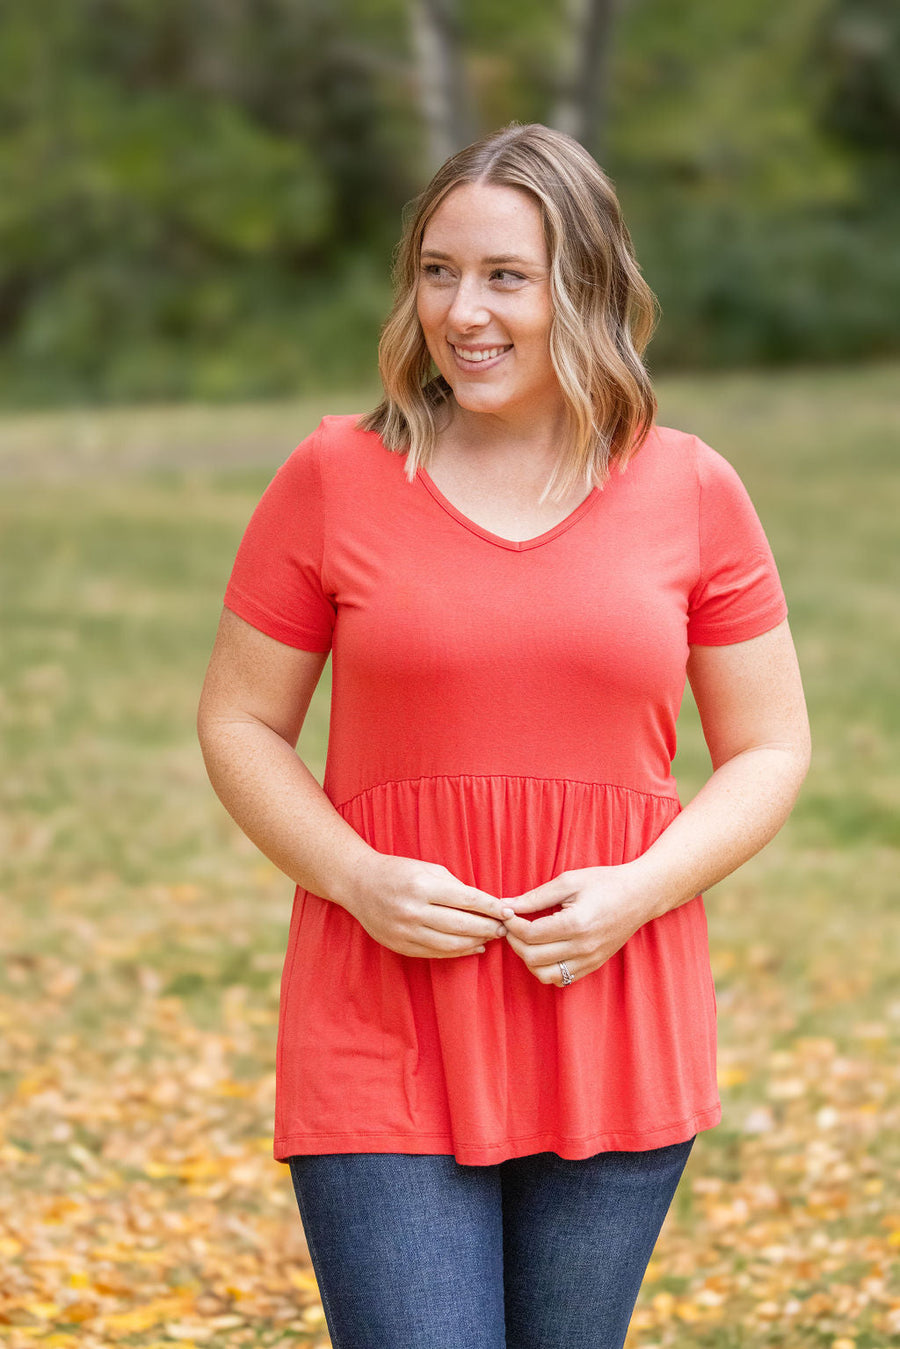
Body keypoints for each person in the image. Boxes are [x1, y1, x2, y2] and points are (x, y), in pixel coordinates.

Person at [197, 122, 810, 1349]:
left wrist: (637, 891)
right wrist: (355, 875)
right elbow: (239, 720)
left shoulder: (693, 488)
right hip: (383, 1003)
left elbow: (771, 749)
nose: (461, 310)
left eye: (503, 277)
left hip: (610, 1004)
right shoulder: (333, 474)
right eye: (437, 270)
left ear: (582, 286)